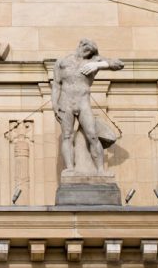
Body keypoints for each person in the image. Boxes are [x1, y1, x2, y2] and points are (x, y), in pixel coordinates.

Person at [52, 39, 124, 175]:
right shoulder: (62, 62)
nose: (87, 53)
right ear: (80, 46)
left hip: (83, 102)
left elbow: (119, 64)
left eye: (90, 52)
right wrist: (54, 104)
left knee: (92, 135)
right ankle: (70, 168)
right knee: (67, 136)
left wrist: (99, 65)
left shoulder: (94, 61)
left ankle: (100, 170)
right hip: (65, 102)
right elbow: (56, 85)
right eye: (86, 50)